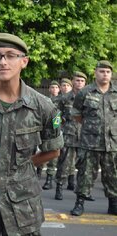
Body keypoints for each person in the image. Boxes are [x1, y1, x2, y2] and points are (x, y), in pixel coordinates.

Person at [0, 33, 64, 236]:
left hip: (22, 207)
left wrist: (20, 168)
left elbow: (53, 150)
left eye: (10, 55)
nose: (3, 62)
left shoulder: (43, 106)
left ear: (24, 61)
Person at [70, 60, 117, 216]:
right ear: (95, 73)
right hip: (90, 142)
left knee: (113, 174)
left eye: (108, 72)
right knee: (85, 174)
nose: (105, 74)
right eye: (102, 71)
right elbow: (76, 114)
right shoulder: (86, 92)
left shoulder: (116, 92)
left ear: (111, 74)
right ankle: (79, 203)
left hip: (112, 143)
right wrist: (91, 127)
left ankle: (113, 204)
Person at [54, 71, 86, 200]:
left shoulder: (89, 98)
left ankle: (80, 192)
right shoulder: (64, 98)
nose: (79, 83)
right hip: (68, 135)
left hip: (85, 136)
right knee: (64, 162)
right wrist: (56, 131)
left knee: (83, 165)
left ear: (85, 83)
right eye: (77, 80)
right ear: (72, 82)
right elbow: (56, 116)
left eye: (82, 81)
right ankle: (59, 187)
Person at [41, 80, 61, 188]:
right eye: (52, 87)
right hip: (47, 130)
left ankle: (53, 179)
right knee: (46, 153)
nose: (54, 89)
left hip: (61, 130)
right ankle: (44, 176)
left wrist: (57, 125)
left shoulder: (62, 100)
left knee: (58, 157)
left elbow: (59, 116)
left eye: (56, 87)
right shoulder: (45, 100)